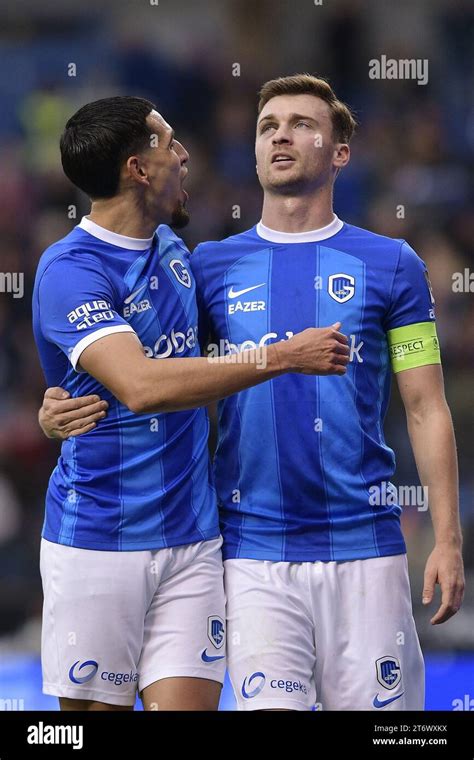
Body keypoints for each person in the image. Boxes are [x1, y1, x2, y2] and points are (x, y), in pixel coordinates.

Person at [40, 76, 465, 711]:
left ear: (341, 151)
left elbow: (427, 405)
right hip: (248, 552)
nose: (281, 135)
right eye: (268, 126)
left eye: (301, 123)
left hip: (367, 546)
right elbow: (152, 376)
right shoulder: (204, 265)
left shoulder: (393, 264)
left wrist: (449, 537)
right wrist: (52, 412)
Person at [32, 94, 350, 712]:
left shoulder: (179, 255)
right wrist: (285, 355)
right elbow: (143, 385)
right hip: (98, 537)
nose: (185, 157)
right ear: (137, 169)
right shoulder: (70, 269)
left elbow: (207, 360)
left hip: (193, 539)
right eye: (170, 144)